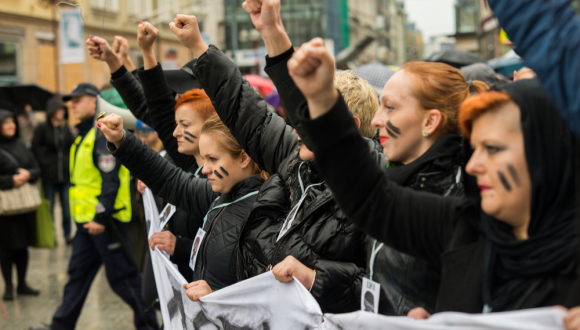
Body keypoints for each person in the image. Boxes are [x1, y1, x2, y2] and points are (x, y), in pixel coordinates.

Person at [286, 39, 580, 317]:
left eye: (493, 149)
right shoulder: (465, 226)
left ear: (545, 154)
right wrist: (322, 100)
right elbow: (371, 199)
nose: (474, 165)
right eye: (475, 149)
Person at [168, 13, 383, 313]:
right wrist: (200, 46)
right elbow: (246, 110)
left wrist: (314, 278)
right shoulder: (297, 159)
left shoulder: (378, 190)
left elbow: (384, 292)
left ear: (348, 126)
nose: (296, 127)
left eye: (308, 118)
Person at [97, 112, 266, 300]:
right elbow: (171, 180)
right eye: (205, 159)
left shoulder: (264, 212)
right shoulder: (220, 196)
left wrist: (217, 297)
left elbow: (265, 296)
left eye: (213, 159)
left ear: (244, 158)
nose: (205, 169)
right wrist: (122, 140)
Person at [31, 84, 158, 330]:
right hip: (86, 223)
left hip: (104, 223)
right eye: (72, 101)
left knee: (123, 280)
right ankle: (60, 326)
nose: (73, 105)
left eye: (79, 100)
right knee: (77, 277)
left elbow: (110, 181)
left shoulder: (101, 133)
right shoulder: (84, 133)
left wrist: (100, 218)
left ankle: (151, 326)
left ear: (94, 103)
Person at [0, 109, 41, 301]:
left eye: (12, 122)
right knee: (5, 247)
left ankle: (22, 283)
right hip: (5, 207)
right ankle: (8, 286)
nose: (11, 126)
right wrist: (11, 180)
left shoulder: (21, 144)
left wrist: (28, 175)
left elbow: (37, 167)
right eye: (6, 123)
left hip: (25, 205)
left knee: (23, 245)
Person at [31, 97, 75, 244]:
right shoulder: (42, 128)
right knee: (49, 207)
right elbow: (34, 148)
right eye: (59, 110)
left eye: (63, 110)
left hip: (65, 174)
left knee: (66, 207)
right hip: (48, 175)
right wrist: (44, 163)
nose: (62, 112)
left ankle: (68, 235)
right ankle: (52, 236)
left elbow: (71, 147)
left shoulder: (66, 128)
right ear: (51, 112)